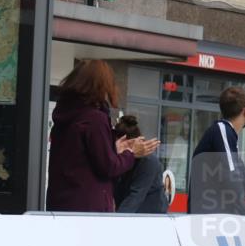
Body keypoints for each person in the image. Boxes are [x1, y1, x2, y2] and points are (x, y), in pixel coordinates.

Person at [46, 60, 159, 212]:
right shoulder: (95, 119)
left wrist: (114, 150)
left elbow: (82, 159)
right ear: (101, 85)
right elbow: (108, 167)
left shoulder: (65, 116)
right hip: (87, 208)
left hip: (60, 203)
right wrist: (131, 153)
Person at [188, 86, 245, 223]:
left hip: (216, 216)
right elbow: (231, 175)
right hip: (207, 218)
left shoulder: (228, 136)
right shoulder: (221, 130)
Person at [114, 115, 168, 214]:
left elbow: (135, 196)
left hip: (151, 216)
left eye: (125, 146)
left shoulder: (148, 162)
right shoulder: (119, 158)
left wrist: (117, 219)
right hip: (130, 213)